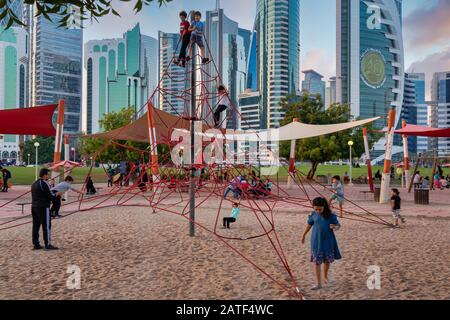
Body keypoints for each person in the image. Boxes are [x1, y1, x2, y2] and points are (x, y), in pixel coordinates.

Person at [301, 197, 341, 290]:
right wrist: (303, 235)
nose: (318, 211)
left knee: (327, 261)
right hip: (316, 241)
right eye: (316, 209)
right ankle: (318, 283)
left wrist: (334, 226)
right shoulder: (313, 214)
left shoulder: (331, 215)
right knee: (317, 262)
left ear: (324, 206)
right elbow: (309, 225)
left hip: (328, 241)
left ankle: (325, 276)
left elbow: (338, 225)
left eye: (320, 209)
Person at [31, 168, 61, 250]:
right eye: (48, 174)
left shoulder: (34, 183)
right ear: (44, 175)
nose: (48, 176)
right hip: (43, 207)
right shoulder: (44, 183)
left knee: (36, 226)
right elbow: (51, 196)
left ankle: (36, 244)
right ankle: (47, 244)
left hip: (34, 207)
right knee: (46, 225)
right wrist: (58, 193)